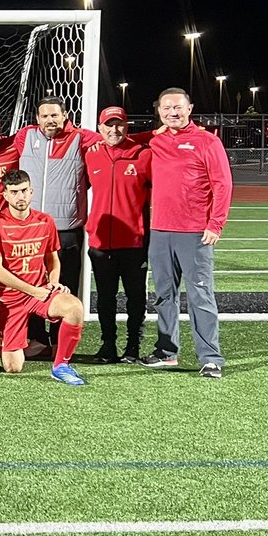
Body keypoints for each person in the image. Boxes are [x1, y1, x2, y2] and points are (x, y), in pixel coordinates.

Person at [140, 88, 232, 378]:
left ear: (189, 108)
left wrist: (216, 223)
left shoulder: (207, 141)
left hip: (194, 233)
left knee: (200, 296)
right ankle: (167, 352)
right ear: (159, 111)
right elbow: (121, 141)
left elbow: (222, 184)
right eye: (166, 108)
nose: (172, 113)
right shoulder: (155, 142)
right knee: (164, 295)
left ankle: (211, 357)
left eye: (178, 107)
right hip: (160, 231)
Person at [12, 97, 100, 354]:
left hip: (66, 228)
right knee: (32, 284)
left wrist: (153, 133)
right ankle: (36, 339)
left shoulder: (83, 138)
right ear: (37, 118)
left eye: (54, 115)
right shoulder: (25, 137)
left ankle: (59, 342)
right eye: (44, 116)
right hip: (31, 229)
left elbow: (116, 141)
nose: (49, 120)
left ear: (64, 116)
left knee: (64, 284)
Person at [0, 169, 87, 385]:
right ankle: (10, 341)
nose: (20, 197)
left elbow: (52, 259)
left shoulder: (45, 221)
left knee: (74, 308)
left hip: (40, 291)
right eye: (14, 192)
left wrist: (54, 282)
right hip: (10, 299)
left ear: (31, 192)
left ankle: (61, 366)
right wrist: (33, 290)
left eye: (23, 191)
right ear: (5, 195)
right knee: (13, 367)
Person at [85, 106, 152, 363]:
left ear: (126, 126)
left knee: (135, 297)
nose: (114, 130)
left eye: (119, 124)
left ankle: (133, 346)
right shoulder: (90, 155)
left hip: (134, 241)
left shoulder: (143, 156)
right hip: (101, 242)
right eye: (108, 125)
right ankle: (108, 345)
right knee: (105, 297)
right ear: (100, 128)